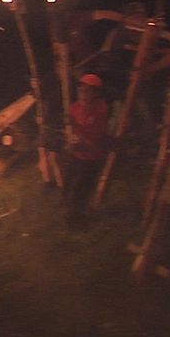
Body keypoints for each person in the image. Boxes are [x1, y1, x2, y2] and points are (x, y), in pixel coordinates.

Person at [64, 73, 110, 229]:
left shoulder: (100, 110)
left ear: (95, 93)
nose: (82, 94)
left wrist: (77, 132)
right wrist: (70, 138)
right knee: (70, 186)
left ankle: (78, 220)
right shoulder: (74, 108)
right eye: (80, 90)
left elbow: (95, 138)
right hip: (75, 155)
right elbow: (71, 131)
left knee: (81, 189)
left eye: (87, 91)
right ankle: (71, 214)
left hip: (91, 157)